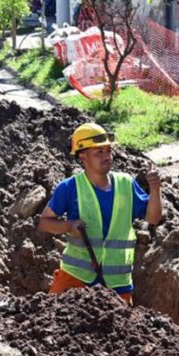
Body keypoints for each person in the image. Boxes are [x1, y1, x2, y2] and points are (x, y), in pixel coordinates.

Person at [37, 123, 162, 304]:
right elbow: (45, 222)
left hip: (118, 283)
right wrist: (69, 226)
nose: (107, 157)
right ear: (82, 156)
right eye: (99, 152)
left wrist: (155, 188)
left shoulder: (126, 184)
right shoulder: (70, 187)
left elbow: (154, 218)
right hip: (75, 277)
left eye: (108, 151)